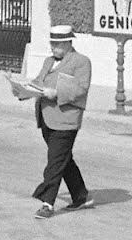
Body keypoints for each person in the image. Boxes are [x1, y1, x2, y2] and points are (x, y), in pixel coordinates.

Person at [26, 24, 92, 219]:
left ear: (68, 43)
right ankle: (81, 196)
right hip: (47, 118)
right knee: (63, 159)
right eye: (52, 44)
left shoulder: (81, 62)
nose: (53, 48)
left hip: (66, 120)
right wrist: (24, 90)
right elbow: (39, 81)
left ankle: (48, 203)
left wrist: (57, 93)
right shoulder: (48, 61)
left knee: (55, 162)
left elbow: (81, 88)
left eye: (57, 45)